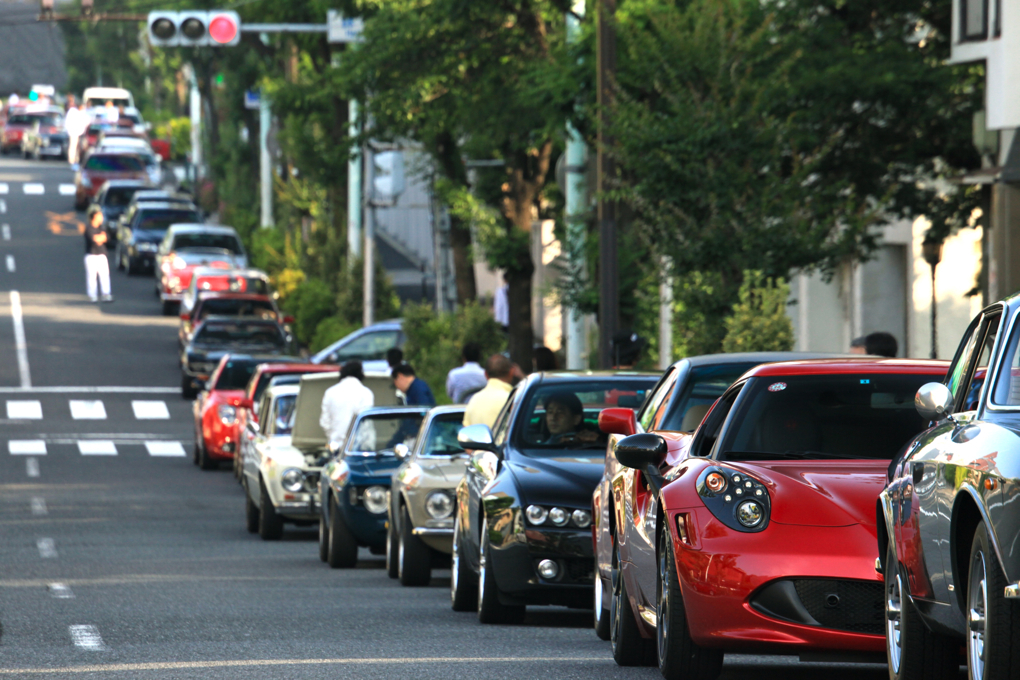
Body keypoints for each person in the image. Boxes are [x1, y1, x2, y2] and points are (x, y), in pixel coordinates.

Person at [319, 360, 375, 451]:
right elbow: (366, 424)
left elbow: (324, 422)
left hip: (335, 447)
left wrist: (334, 435)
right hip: (358, 448)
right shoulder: (366, 393)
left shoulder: (330, 392)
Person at [463, 354, 514, 428]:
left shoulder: (474, 400)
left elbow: (466, 432)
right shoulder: (513, 400)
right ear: (511, 372)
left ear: (486, 375)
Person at [83, 205, 113, 303]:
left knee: (105, 275)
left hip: (102, 254)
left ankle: (106, 294)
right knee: (92, 276)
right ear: (94, 216)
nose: (102, 217)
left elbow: (106, 238)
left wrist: (101, 238)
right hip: (91, 255)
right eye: (100, 215)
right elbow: (95, 239)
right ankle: (92, 295)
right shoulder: (89, 228)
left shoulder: (102, 227)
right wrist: (101, 238)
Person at [65, 103, 88, 168]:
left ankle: (75, 160)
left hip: (79, 133)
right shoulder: (73, 112)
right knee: (73, 147)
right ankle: (72, 160)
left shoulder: (78, 113)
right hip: (74, 133)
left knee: (77, 147)